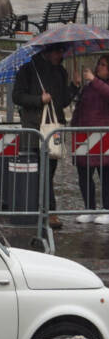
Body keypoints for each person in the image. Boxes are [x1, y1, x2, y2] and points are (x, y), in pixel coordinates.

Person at [12, 44, 78, 229]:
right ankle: (47, 212)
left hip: (53, 128)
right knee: (41, 173)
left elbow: (62, 102)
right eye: (57, 52)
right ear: (47, 52)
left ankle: (45, 210)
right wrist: (39, 100)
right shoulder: (28, 70)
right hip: (34, 129)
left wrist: (74, 86)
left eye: (61, 52)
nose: (60, 55)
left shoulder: (61, 71)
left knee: (49, 172)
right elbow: (17, 96)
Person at [70, 54, 109, 224]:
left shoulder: (99, 84)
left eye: (104, 65)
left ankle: (107, 209)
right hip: (84, 136)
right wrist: (73, 127)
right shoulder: (88, 87)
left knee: (105, 176)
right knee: (84, 175)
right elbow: (79, 107)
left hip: (103, 137)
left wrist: (94, 80)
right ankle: (90, 208)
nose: (99, 66)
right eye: (99, 63)